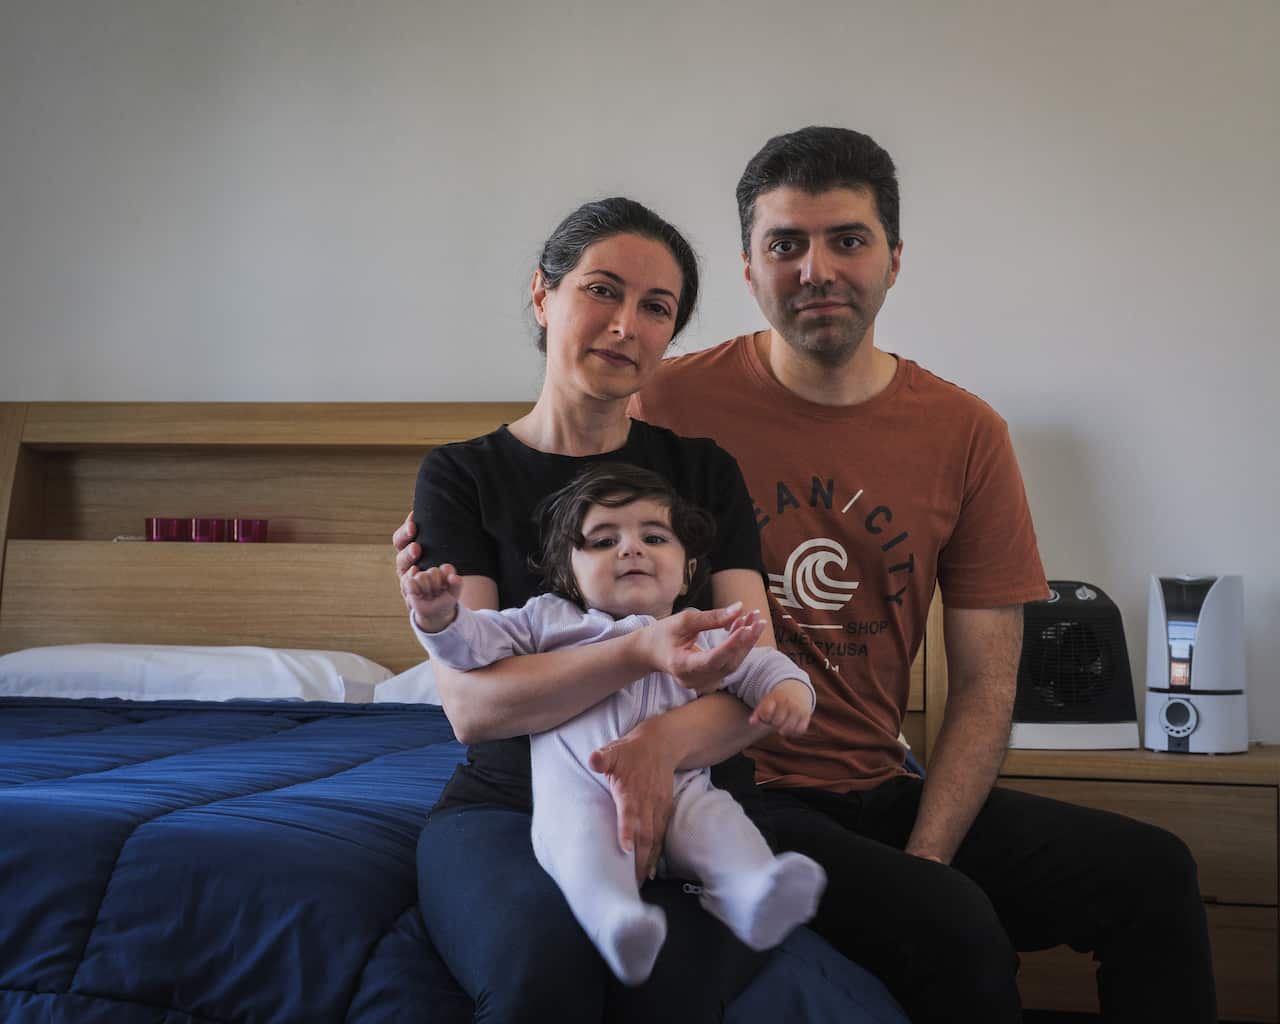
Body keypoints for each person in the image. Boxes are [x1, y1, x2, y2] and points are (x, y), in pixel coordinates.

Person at [396, 127, 1216, 1022]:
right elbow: (478, 681)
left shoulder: (933, 434)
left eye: (848, 240)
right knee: (942, 932)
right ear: (751, 270)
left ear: (894, 259)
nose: (628, 327)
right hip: (740, 786)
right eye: (786, 244)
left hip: (854, 778)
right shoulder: (627, 417)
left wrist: (926, 854)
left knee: (1151, 874)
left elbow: (977, 681)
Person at [399, 196, 800, 1023]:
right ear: (544, 296)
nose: (626, 324)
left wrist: (654, 749)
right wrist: (639, 653)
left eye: (656, 308)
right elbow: (475, 708)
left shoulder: (704, 473)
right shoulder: (461, 477)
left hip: (693, 788)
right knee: (540, 974)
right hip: (512, 804)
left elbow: (753, 685)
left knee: (673, 987)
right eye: (602, 291)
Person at [406, 463, 825, 987]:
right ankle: (616, 921)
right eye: (604, 541)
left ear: (689, 570)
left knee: (722, 825)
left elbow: (764, 664)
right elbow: (474, 648)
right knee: (581, 848)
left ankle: (751, 893)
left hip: (681, 789)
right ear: (568, 570)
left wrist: (789, 695)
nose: (631, 548)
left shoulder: (703, 632)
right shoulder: (548, 621)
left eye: (654, 536)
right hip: (580, 790)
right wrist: (441, 618)